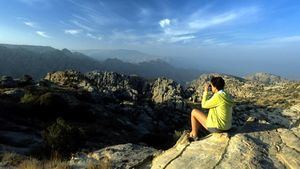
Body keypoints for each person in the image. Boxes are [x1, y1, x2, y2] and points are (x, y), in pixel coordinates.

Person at [189, 76, 234, 141]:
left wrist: (205, 92)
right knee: (205, 115)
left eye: (212, 86)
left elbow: (204, 105)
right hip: (227, 127)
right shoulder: (227, 95)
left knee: (194, 112)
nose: (211, 88)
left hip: (217, 128)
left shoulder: (218, 96)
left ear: (215, 87)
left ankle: (194, 135)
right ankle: (193, 133)